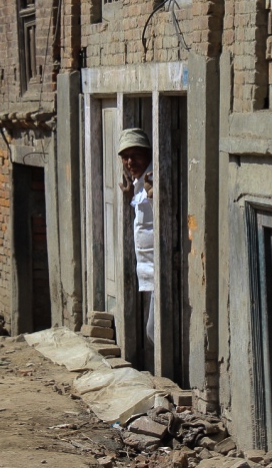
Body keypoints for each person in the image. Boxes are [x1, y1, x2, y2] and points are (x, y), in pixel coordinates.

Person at [117, 128, 155, 365]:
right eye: (125, 157)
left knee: (154, 330)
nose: (130, 162)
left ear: (148, 154)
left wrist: (153, 194)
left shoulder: (153, 179)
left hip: (159, 268)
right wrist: (131, 195)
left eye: (136, 155)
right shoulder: (138, 183)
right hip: (147, 270)